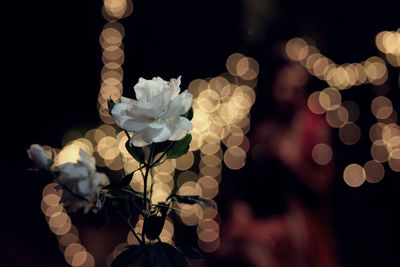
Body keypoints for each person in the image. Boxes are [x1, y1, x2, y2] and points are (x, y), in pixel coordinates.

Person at [215, 53, 338, 267]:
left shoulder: (312, 128)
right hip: (261, 217)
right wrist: (240, 211)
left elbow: (321, 186)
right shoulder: (262, 128)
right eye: (282, 88)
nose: (287, 96)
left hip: (298, 219)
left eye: (294, 90)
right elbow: (244, 182)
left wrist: (288, 162)